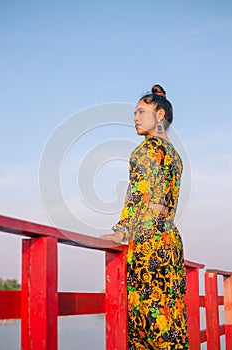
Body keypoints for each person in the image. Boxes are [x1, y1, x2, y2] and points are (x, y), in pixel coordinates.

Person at [101, 84, 189, 349]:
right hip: (171, 241)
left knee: (146, 321)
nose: (135, 118)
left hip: (148, 242)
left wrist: (121, 230)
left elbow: (138, 195)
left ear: (159, 115)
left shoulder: (143, 150)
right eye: (134, 113)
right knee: (170, 316)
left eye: (141, 112)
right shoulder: (175, 155)